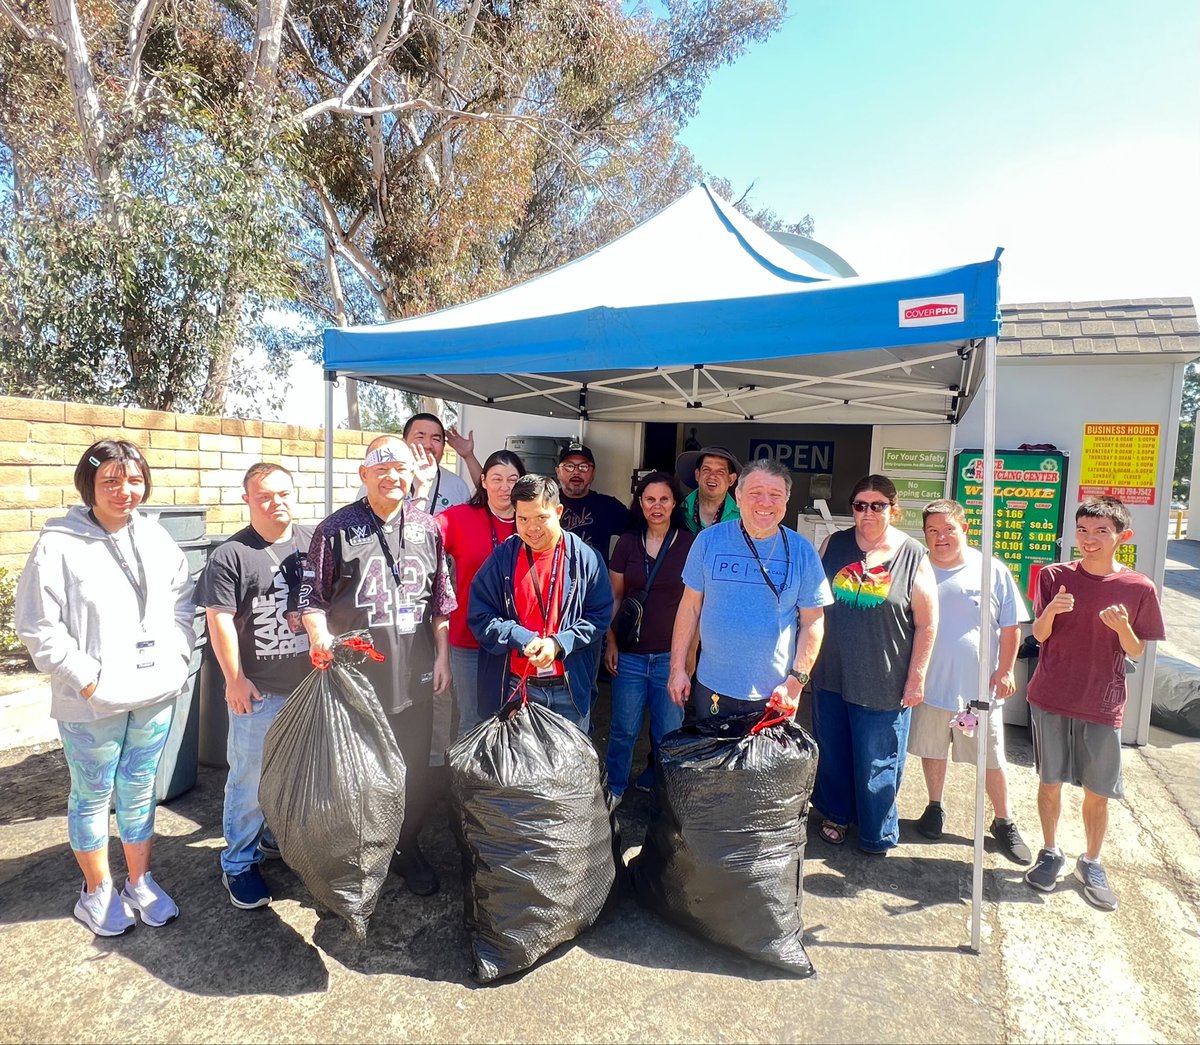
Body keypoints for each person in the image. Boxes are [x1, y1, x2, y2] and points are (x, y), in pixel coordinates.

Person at [15, 439, 195, 936]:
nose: (125, 491)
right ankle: (96, 891)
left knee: (139, 791)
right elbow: (35, 624)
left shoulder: (158, 539)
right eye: (110, 481)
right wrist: (85, 676)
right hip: (91, 700)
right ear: (89, 486)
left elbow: (182, 601)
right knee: (92, 794)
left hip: (155, 692)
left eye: (134, 479)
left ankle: (140, 880)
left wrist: (178, 657)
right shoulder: (58, 544)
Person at [302, 437, 455, 896]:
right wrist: (318, 636)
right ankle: (357, 851)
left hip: (417, 670)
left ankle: (405, 846)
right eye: (381, 468)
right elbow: (312, 600)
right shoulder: (334, 530)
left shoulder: (429, 527)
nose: (392, 476)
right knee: (355, 768)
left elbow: (440, 602)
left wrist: (444, 655)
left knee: (411, 767)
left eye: (400, 469)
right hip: (356, 676)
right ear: (363, 474)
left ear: (413, 475)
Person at [1022, 496, 1165, 911]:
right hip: (1050, 694)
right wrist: (1050, 611)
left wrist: (1122, 627)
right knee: (1050, 781)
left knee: (1097, 790)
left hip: (1102, 702)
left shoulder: (1138, 588)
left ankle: (1091, 861)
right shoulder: (1053, 576)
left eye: (1101, 531)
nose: (1089, 540)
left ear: (1123, 536)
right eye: (1083, 531)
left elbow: (1137, 649)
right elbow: (1040, 634)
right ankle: (1050, 851)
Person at [193, 462, 313, 910]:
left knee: (291, 776)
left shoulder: (310, 542)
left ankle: (271, 840)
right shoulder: (231, 555)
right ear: (247, 499)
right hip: (259, 692)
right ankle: (239, 863)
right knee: (247, 780)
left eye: (282, 493)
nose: (274, 502)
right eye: (264, 495)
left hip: (307, 690)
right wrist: (235, 680)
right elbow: (219, 621)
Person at [810, 474, 937, 854]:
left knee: (878, 760)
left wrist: (917, 678)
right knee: (833, 750)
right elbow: (813, 605)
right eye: (860, 505)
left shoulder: (913, 554)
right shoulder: (834, 544)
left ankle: (876, 830)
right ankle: (835, 814)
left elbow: (927, 622)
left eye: (877, 505)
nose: (867, 512)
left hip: (884, 677)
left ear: (893, 510)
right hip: (831, 672)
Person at [909, 499, 1032, 864]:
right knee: (933, 749)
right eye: (932, 530)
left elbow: (1011, 626)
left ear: (964, 528)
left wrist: (1006, 669)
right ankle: (934, 806)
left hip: (979, 692)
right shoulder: (918, 569)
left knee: (991, 757)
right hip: (929, 684)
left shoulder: (990, 570)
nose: (940, 537)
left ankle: (1003, 820)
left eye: (948, 528)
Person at [668, 458, 831, 723]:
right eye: (755, 493)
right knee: (712, 764)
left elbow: (814, 619)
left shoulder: (803, 552)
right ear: (739, 496)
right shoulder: (708, 541)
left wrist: (796, 681)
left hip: (775, 695)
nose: (765, 503)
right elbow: (690, 607)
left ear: (786, 501)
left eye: (775, 495)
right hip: (713, 690)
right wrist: (677, 670)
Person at [469, 474, 613, 732]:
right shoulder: (503, 557)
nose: (531, 528)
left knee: (571, 769)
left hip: (569, 688)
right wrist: (520, 637)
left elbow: (599, 616)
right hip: (518, 686)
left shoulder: (586, 558)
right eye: (522, 519)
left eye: (541, 518)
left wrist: (559, 643)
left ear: (558, 511)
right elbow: (480, 615)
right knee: (519, 769)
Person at [603, 472, 695, 803]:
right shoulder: (627, 543)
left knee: (668, 733)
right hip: (629, 656)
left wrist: (689, 655)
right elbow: (614, 597)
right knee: (624, 729)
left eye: (664, 499)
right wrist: (611, 642)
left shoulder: (689, 543)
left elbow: (695, 604)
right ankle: (614, 787)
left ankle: (667, 794)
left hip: (670, 659)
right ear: (640, 503)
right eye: (650, 499)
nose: (657, 506)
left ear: (675, 503)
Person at [435, 449, 526, 738]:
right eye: (497, 478)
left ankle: (504, 781)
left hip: (521, 641)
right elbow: (417, 536)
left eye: (513, 479)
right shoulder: (459, 518)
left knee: (515, 720)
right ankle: (469, 783)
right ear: (483, 481)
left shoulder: (532, 523)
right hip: (469, 638)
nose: (505, 486)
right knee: (472, 720)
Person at [555, 443, 629, 567]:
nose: (576, 472)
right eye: (569, 466)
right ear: (558, 472)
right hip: (555, 581)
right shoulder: (544, 504)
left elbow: (641, 533)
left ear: (593, 473)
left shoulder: (608, 507)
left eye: (583, 467)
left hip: (594, 582)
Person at [403, 412, 482, 516]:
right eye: (420, 437)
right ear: (403, 443)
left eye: (435, 439)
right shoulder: (389, 479)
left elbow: (489, 494)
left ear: (443, 447)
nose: (428, 445)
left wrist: (468, 456)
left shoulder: (457, 485)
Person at [677, 446, 740, 534]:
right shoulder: (678, 510)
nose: (712, 476)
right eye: (706, 470)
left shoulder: (743, 516)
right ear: (697, 475)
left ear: (731, 480)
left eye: (720, 472)